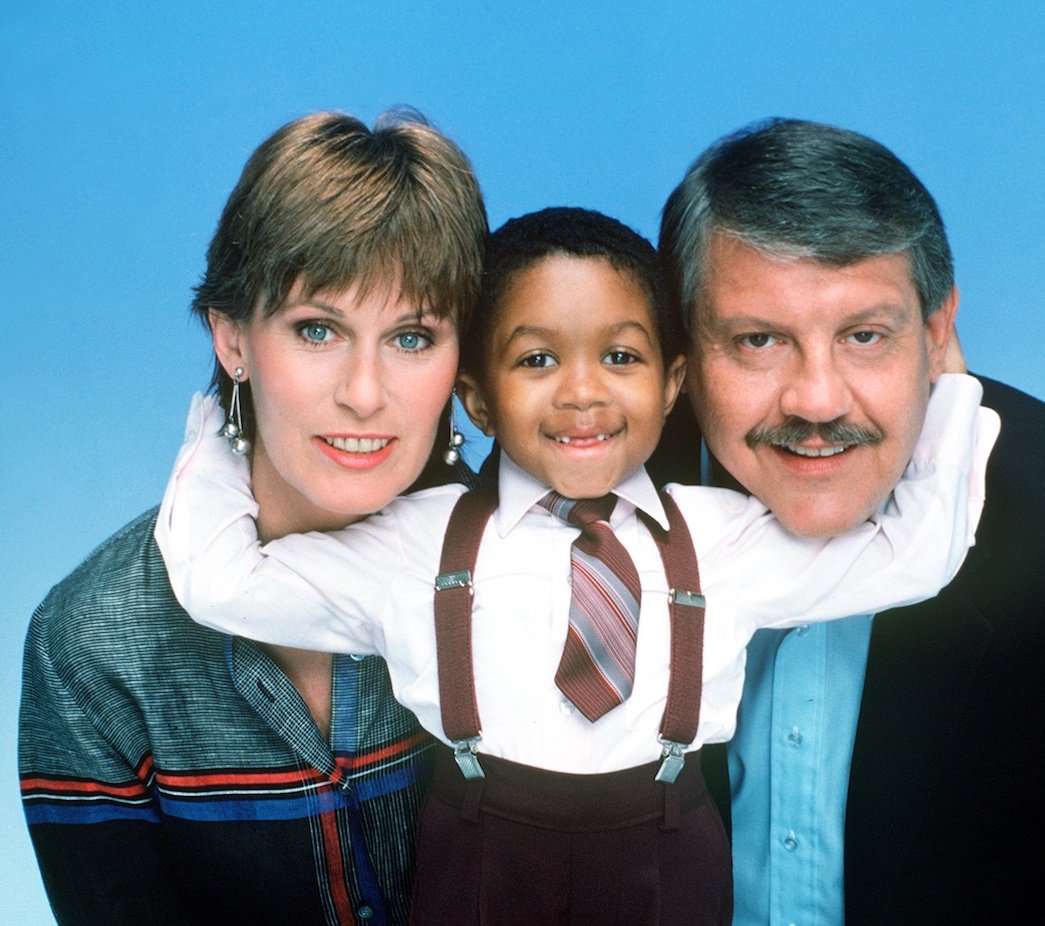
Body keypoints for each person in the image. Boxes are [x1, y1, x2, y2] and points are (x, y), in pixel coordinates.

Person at [154, 206, 997, 925]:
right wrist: (221, 430)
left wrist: (951, 389)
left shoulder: (726, 539)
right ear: (478, 399)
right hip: (480, 849)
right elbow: (221, 583)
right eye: (537, 360)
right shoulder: (413, 542)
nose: (582, 392)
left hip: (666, 847)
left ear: (672, 384)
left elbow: (913, 558)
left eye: (621, 357)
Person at [654, 118, 1045, 925]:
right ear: (686, 345)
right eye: (758, 340)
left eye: (864, 336)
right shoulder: (594, 496)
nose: (817, 401)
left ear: (938, 332)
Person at [18, 109, 488, 926]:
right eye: (317, 329)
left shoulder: (524, 580)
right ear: (232, 338)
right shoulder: (91, 643)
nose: (365, 394)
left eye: (412, 337)